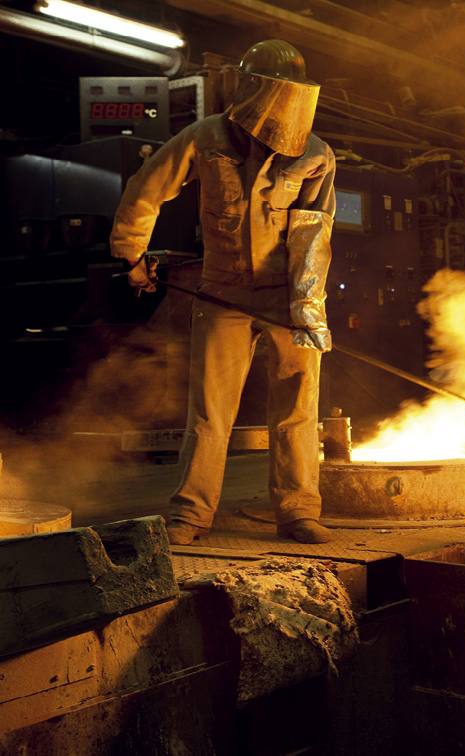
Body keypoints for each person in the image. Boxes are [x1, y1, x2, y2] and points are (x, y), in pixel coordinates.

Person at [110, 39, 336, 545]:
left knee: (298, 409)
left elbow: (313, 234)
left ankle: (298, 512)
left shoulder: (315, 154)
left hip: (286, 297)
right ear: (252, 88)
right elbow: (148, 188)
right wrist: (131, 256)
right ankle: (190, 515)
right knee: (210, 411)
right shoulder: (206, 137)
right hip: (223, 292)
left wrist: (306, 309)